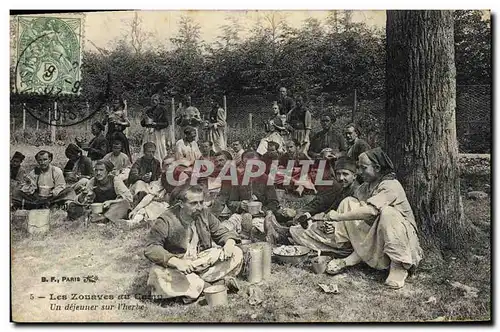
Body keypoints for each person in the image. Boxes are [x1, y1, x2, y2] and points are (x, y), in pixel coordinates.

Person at [324, 148, 423, 289]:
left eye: (363, 168)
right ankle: (352, 251)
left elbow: (371, 211)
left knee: (387, 212)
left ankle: (398, 266)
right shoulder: (366, 187)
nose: (360, 172)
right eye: (359, 168)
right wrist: (333, 222)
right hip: (376, 232)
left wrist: (338, 217)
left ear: (377, 168)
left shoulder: (391, 185)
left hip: (401, 236)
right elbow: (356, 209)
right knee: (348, 202)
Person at [145, 184, 243, 302]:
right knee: (157, 273)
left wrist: (229, 243)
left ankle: (197, 285)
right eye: (193, 203)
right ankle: (211, 285)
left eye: (201, 202)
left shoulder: (204, 213)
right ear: (181, 204)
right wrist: (176, 262)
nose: (199, 207)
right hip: (180, 266)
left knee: (236, 252)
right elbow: (151, 247)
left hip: (201, 261)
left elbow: (221, 232)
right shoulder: (166, 220)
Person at [268, 157, 360, 254]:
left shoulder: (356, 192)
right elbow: (331, 209)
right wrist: (314, 217)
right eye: (338, 174)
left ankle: (284, 236)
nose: (341, 178)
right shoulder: (344, 189)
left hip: (347, 234)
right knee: (309, 226)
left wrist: (334, 225)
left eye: (345, 174)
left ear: (354, 176)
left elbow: (356, 222)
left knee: (307, 230)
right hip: (335, 226)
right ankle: (285, 234)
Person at [12, 150, 76, 210]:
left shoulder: (56, 171)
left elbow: (60, 186)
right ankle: (42, 205)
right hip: (37, 198)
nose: (42, 163)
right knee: (17, 192)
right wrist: (28, 184)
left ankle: (45, 205)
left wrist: (52, 192)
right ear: (37, 161)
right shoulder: (36, 171)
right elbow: (31, 187)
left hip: (52, 197)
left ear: (50, 159)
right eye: (40, 160)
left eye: (45, 160)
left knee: (69, 191)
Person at [141, 94, 170, 161]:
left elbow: (166, 123)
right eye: (152, 100)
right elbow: (143, 124)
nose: (154, 101)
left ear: (159, 101)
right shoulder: (148, 110)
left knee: (159, 149)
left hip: (158, 132)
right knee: (148, 147)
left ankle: (159, 163)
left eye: (156, 100)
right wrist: (145, 120)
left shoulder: (162, 110)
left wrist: (156, 124)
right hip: (149, 133)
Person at [104, 97, 132, 163]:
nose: (114, 104)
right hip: (110, 134)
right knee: (109, 151)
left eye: (116, 103)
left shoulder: (122, 113)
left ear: (120, 104)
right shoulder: (110, 113)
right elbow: (104, 123)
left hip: (118, 135)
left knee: (120, 151)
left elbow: (128, 123)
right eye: (113, 103)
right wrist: (106, 117)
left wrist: (120, 123)